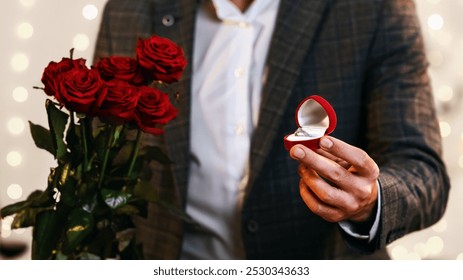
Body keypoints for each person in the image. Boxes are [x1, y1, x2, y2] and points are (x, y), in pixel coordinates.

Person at [93, 0, 450, 259]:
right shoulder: (131, 8)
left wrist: (369, 201)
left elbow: (423, 171)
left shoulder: (375, 8)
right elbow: (98, 169)